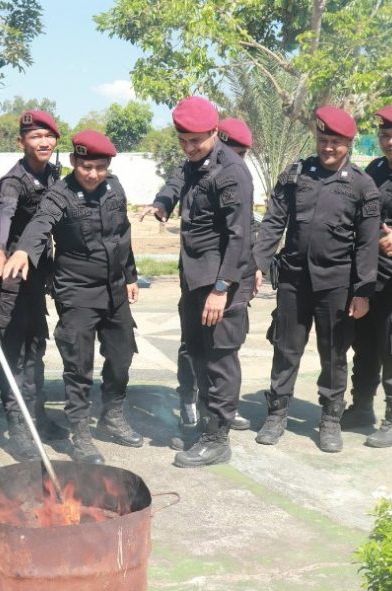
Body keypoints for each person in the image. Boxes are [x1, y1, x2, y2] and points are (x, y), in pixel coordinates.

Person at [4, 130, 142, 465]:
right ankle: (79, 433)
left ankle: (112, 414)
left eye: (99, 166)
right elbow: (40, 224)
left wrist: (130, 276)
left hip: (114, 289)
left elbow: (122, 234)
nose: (93, 174)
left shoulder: (116, 186)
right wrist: (23, 251)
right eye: (86, 166)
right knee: (79, 365)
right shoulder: (60, 193)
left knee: (122, 356)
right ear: (73, 162)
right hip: (77, 291)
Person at [253, 106, 380, 453]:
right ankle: (277, 414)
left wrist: (363, 291)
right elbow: (274, 220)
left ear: (348, 144)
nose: (327, 148)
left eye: (335, 143)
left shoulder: (361, 185)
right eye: (323, 140)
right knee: (285, 350)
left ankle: (330, 419)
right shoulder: (296, 174)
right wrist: (258, 263)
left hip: (336, 285)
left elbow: (368, 244)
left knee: (334, 355)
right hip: (294, 281)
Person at [146, 97, 254, 468]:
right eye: (183, 140)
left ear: (214, 132)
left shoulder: (231, 172)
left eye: (196, 140)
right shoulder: (195, 163)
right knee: (199, 356)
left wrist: (222, 289)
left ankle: (217, 439)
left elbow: (239, 237)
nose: (189, 148)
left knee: (220, 360)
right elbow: (177, 180)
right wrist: (162, 203)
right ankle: (208, 425)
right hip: (193, 280)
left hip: (220, 285)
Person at [0, 110, 68, 461]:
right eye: (35, 137)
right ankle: (18, 426)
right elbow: (4, 213)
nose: (43, 142)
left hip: (38, 277)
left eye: (48, 136)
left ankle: (39, 416)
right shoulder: (13, 180)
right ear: (21, 142)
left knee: (36, 347)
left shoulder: (53, 174)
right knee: (13, 351)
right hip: (12, 278)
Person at [344, 105, 392, 447]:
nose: (390, 141)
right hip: (369, 280)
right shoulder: (374, 170)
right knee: (365, 346)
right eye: (385, 135)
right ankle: (361, 409)